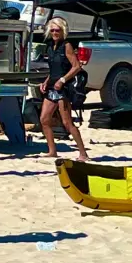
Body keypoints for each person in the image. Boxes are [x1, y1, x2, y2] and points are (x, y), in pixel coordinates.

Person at [38, 18, 90, 161]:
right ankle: (52, 150)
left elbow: (76, 66)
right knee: (44, 119)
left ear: (63, 31)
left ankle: (83, 153)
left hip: (63, 88)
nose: (55, 33)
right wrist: (46, 81)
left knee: (67, 123)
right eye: (53, 30)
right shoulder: (50, 46)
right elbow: (54, 69)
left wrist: (63, 80)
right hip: (51, 87)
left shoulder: (66, 46)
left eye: (58, 30)